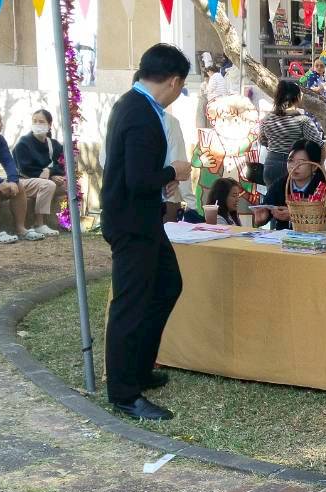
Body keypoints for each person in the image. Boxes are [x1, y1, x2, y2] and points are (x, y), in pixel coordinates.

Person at [101, 43, 193, 421]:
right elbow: (138, 180)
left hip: (144, 220)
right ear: (173, 82)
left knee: (168, 285)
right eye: (181, 86)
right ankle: (124, 392)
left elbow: (137, 173)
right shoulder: (140, 113)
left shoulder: (135, 105)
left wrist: (162, 180)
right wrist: (175, 172)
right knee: (130, 305)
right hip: (131, 222)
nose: (178, 93)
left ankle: (139, 367)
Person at [0, 105, 49, 244]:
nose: (2, 124)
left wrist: (12, 180)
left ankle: (21, 229)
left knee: (18, 186)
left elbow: (8, 162)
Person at [12, 109, 67, 236]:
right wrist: (50, 177)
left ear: (49, 124)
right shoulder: (23, 143)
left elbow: (63, 164)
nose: (37, 124)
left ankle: (68, 222)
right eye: (34, 121)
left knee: (70, 186)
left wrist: (51, 172)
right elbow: (25, 168)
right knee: (48, 185)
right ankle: (39, 224)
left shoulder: (53, 144)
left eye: (41, 122)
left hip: (44, 180)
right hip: (23, 181)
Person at [259, 80, 324, 187]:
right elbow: (318, 145)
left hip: (271, 164)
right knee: (294, 196)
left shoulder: (267, 118)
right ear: (297, 97)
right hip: (295, 165)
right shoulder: (303, 120)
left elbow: (262, 141)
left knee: (273, 196)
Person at [260, 139, 326, 230]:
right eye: (290, 161)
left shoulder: (323, 188)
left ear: (314, 166)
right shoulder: (280, 185)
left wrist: (294, 216)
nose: (294, 166)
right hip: (282, 236)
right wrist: (262, 218)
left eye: (301, 162)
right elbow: (266, 208)